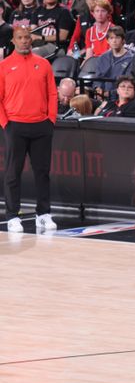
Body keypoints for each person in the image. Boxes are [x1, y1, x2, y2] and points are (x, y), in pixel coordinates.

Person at [0, 26, 57, 232]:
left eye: (27, 38)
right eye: (20, 38)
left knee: (42, 172)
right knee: (13, 173)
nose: (24, 41)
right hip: (15, 125)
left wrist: (50, 120)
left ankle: (43, 214)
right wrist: (6, 124)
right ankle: (13, 216)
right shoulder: (4, 66)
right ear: (13, 41)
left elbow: (52, 93)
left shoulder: (43, 64)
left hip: (42, 125)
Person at [94, 25, 133, 98]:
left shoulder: (131, 59)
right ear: (107, 41)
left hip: (120, 97)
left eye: (117, 38)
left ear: (123, 40)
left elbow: (128, 82)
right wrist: (97, 89)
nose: (114, 41)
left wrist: (110, 93)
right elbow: (97, 78)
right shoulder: (102, 58)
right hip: (101, 96)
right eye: (111, 38)